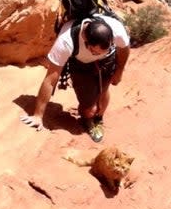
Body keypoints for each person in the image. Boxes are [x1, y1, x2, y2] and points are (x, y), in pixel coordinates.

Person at [20, 14, 130, 142]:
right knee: (88, 107)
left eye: (103, 51)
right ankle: (87, 118)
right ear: (85, 39)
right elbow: (50, 80)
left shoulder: (116, 29)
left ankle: (98, 118)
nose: (97, 55)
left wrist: (119, 71)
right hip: (81, 65)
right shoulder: (66, 41)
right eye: (95, 52)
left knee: (104, 91)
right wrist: (37, 115)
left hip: (107, 62)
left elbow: (124, 49)